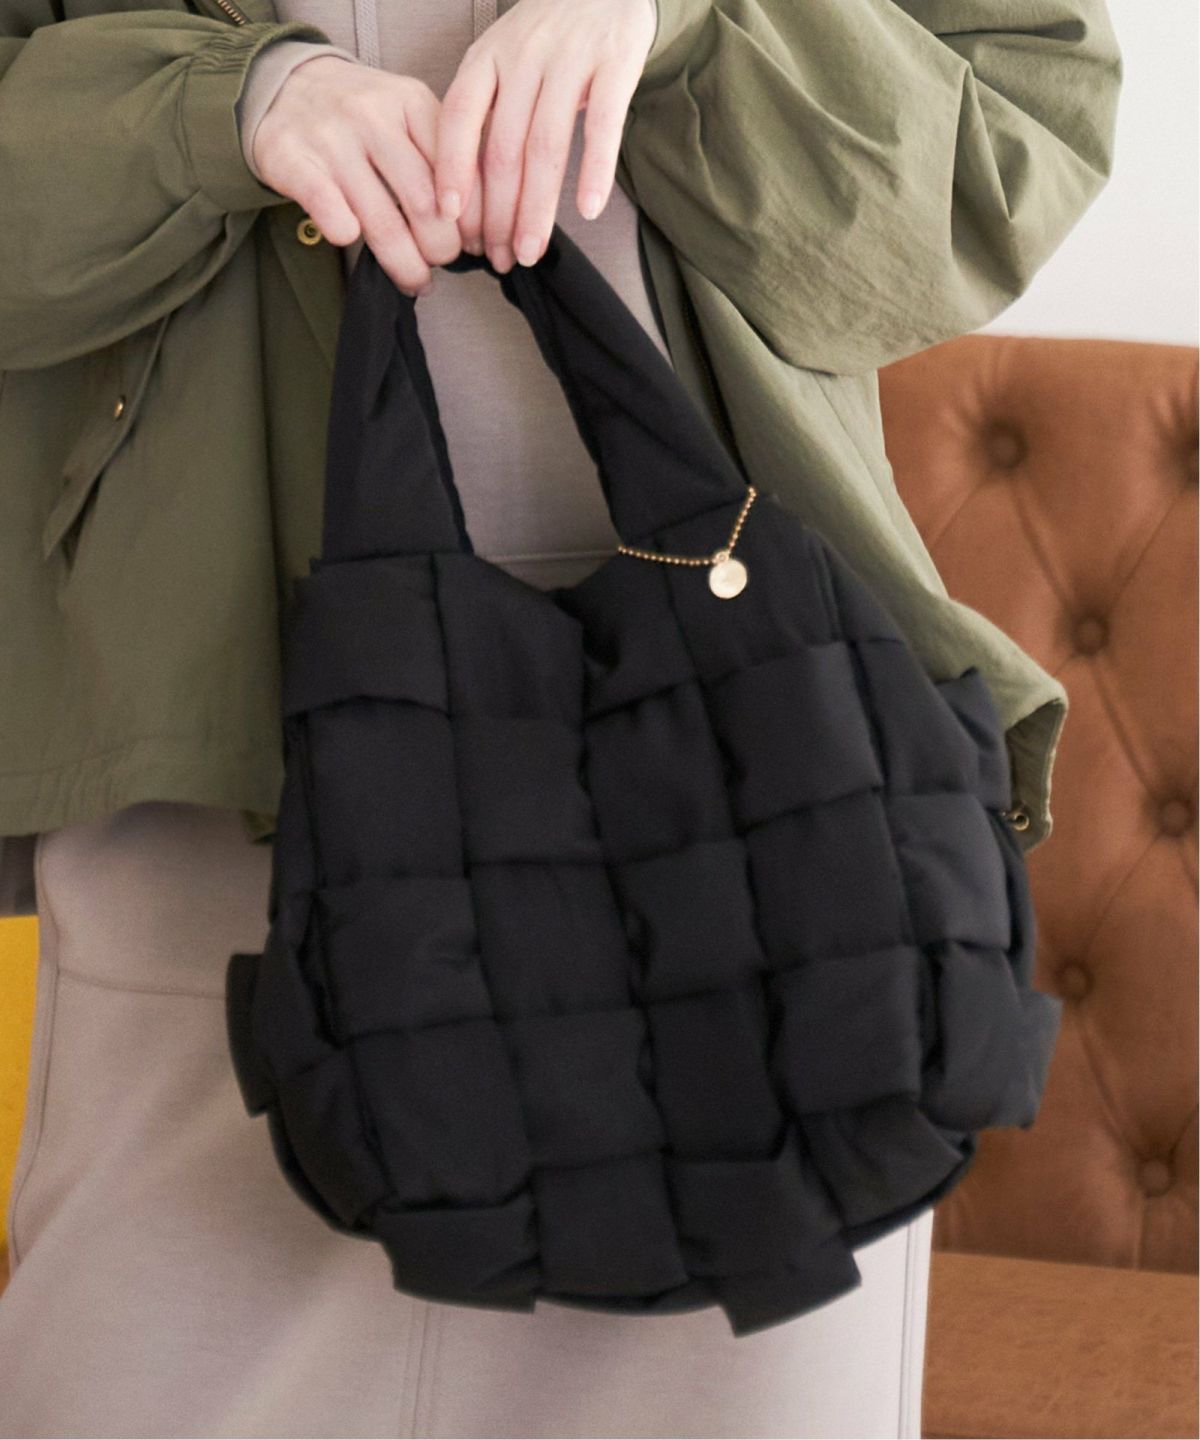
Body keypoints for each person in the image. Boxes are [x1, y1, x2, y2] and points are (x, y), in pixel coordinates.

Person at [0, 1, 1121, 1435]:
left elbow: (1010, 146)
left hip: (775, 846)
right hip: (221, 816)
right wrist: (223, 108)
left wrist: (673, 21)